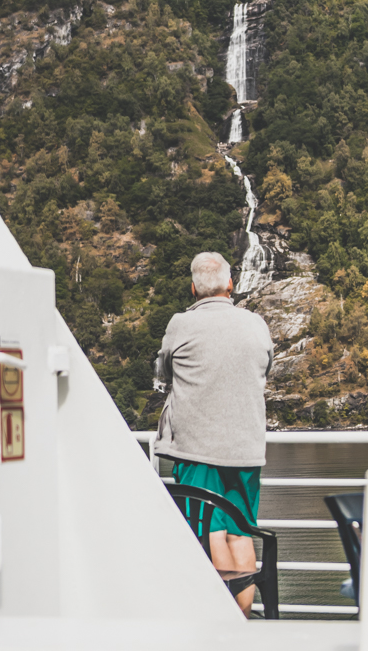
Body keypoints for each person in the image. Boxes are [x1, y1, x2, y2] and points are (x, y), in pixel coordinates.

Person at [154, 251, 274, 616]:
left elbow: (162, 374)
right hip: (246, 449)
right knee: (239, 531)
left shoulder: (181, 324)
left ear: (193, 289)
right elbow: (267, 369)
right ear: (231, 284)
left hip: (197, 448)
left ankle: (222, 621)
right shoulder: (256, 323)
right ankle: (243, 619)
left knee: (209, 532)